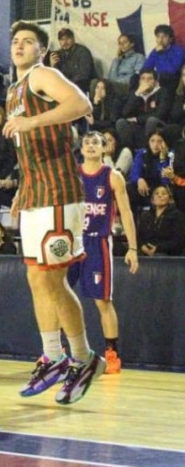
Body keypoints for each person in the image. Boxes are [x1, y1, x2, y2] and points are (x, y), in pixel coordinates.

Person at [3, 20, 103, 405]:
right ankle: (53, 355)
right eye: (15, 41)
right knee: (36, 279)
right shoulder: (14, 89)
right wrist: (22, 189)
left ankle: (83, 358)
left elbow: (82, 104)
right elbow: (29, 147)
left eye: (28, 41)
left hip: (59, 193)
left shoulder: (43, 75)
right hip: (35, 192)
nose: (20, 46)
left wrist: (31, 120)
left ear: (41, 50)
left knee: (54, 280)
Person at [70, 132, 139, 374]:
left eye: (95, 143)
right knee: (60, 296)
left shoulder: (113, 176)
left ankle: (112, 355)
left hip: (97, 242)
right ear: (81, 147)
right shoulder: (72, 174)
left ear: (104, 148)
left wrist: (132, 247)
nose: (90, 146)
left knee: (103, 301)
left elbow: (127, 213)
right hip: (71, 241)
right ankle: (57, 355)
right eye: (86, 142)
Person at [137, 184, 185, 256]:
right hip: (145, 252)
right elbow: (139, 236)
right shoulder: (145, 215)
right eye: (157, 193)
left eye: (164, 193)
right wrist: (143, 247)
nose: (160, 195)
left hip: (168, 254)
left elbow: (178, 241)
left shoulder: (177, 215)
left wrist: (158, 248)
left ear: (170, 199)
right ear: (152, 199)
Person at [50, 28, 96, 94]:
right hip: (66, 86)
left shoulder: (83, 52)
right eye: (62, 39)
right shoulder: (58, 54)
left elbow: (83, 75)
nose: (64, 42)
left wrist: (66, 84)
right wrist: (53, 66)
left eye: (67, 39)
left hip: (83, 85)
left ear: (73, 39)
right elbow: (56, 76)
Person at [143, 24, 185, 92]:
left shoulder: (178, 51)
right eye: (158, 37)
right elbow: (146, 68)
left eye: (164, 37)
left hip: (173, 79)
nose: (160, 40)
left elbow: (171, 70)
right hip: (159, 78)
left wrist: (161, 53)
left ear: (170, 39)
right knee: (135, 78)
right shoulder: (155, 51)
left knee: (165, 76)